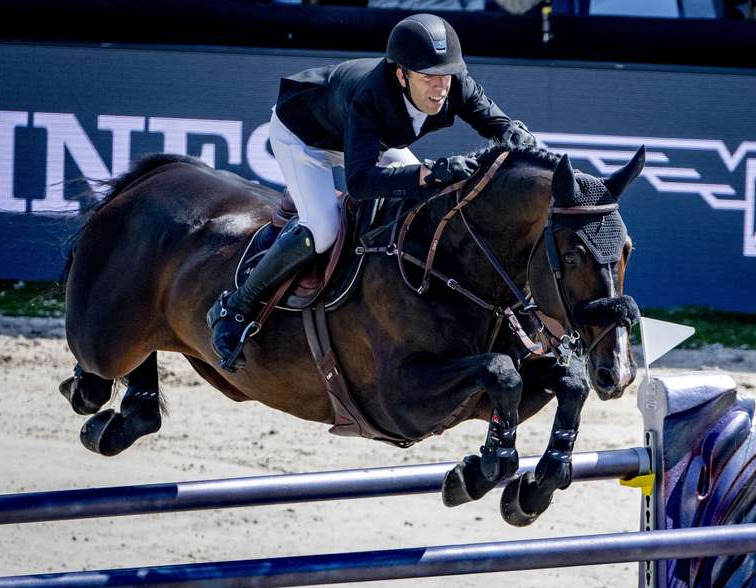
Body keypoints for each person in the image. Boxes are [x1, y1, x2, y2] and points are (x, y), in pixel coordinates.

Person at [208, 13, 537, 371]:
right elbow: (361, 183)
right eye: (428, 77)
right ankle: (236, 307)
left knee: (424, 203)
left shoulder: (455, 84)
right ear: (401, 74)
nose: (440, 87)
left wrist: (517, 136)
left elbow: (498, 124)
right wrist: (428, 172)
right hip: (306, 137)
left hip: (371, 140)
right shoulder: (370, 96)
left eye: (445, 74)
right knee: (323, 228)